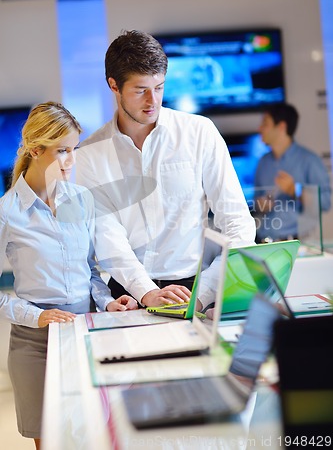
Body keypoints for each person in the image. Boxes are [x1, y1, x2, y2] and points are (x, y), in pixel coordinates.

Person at [76, 29, 256, 308]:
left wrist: (203, 293)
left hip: (195, 287)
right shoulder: (89, 153)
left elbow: (238, 225)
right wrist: (147, 292)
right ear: (114, 86)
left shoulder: (199, 132)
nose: (153, 101)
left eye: (159, 87)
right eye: (140, 90)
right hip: (128, 295)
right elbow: (107, 237)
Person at [0, 102, 137, 450]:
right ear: (34, 149)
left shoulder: (83, 201)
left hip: (85, 333)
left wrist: (107, 303)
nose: (71, 162)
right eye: (62, 151)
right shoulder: (8, 212)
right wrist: (37, 315)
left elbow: (91, 272)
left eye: (73, 150)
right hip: (35, 344)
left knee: (97, 437)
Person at [254, 102, 331, 242]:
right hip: (264, 242)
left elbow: (325, 202)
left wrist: (295, 190)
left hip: (297, 245)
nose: (260, 129)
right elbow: (256, 200)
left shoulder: (309, 160)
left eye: (265, 124)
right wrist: (261, 204)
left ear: (281, 127)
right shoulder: (263, 162)